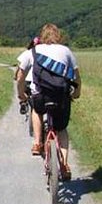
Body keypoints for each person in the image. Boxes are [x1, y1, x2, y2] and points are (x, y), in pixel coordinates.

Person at [15, 23, 81, 180]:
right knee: (62, 129)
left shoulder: (33, 51)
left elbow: (19, 77)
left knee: (37, 111)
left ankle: (37, 143)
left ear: (42, 36)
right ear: (58, 36)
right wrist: (77, 92)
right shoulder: (66, 51)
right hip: (61, 96)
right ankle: (64, 164)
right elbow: (77, 77)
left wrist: (21, 94)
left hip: (41, 96)